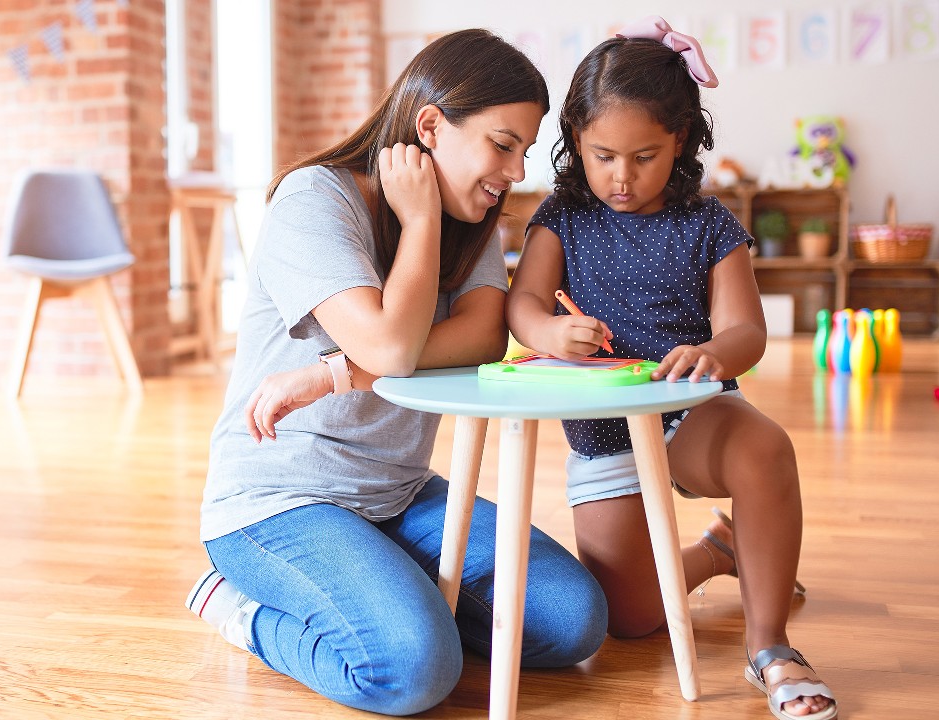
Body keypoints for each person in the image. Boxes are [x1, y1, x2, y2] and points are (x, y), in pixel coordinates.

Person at [186, 29, 607, 717]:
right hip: (278, 501)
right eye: (503, 144)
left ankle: (384, 588)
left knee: (574, 620)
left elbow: (480, 336)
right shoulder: (313, 201)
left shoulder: (470, 217)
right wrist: (416, 224)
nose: (515, 171)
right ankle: (239, 610)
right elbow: (389, 347)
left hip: (400, 493)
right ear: (431, 127)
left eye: (525, 152)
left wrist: (332, 374)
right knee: (413, 669)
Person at [504, 17, 836, 720]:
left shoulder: (710, 223)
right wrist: (548, 331)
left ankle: (771, 646)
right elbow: (524, 304)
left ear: (680, 140)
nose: (621, 178)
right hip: (604, 437)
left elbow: (747, 328)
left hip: (691, 413)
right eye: (602, 156)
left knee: (766, 449)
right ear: (575, 141)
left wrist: (717, 354)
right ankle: (720, 550)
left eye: (644, 156)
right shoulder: (560, 217)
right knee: (629, 619)